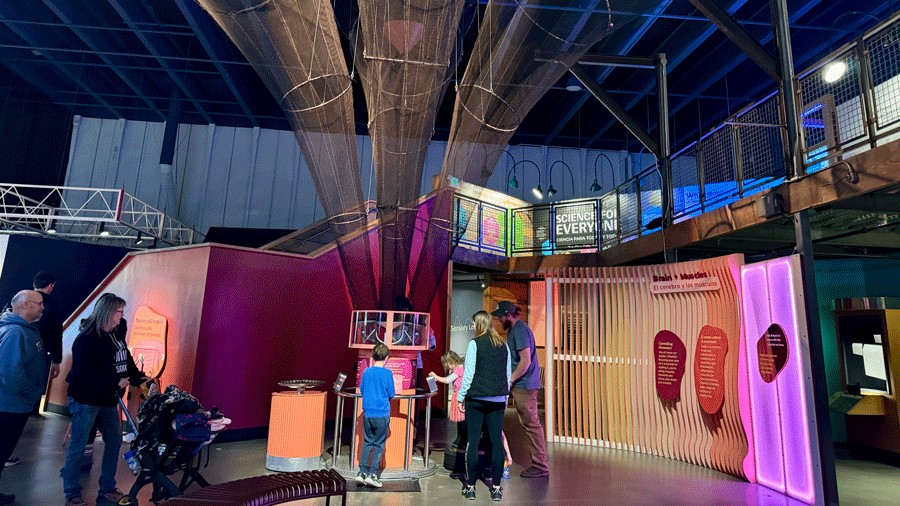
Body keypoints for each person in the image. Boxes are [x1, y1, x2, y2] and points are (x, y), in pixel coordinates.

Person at [61, 294, 132, 506]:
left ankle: (108, 487)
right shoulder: (86, 339)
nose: (122, 316)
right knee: (78, 445)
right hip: (86, 400)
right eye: (119, 312)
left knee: (115, 440)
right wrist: (115, 382)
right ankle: (72, 491)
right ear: (109, 312)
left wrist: (137, 377)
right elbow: (85, 373)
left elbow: (123, 361)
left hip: (108, 400)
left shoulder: (115, 336)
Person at [492, 300, 549, 478]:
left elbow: (525, 361)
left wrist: (510, 380)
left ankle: (541, 465)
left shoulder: (520, 331)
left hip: (525, 386)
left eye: (501, 316)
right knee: (529, 425)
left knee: (532, 425)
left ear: (508, 315)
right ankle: (540, 464)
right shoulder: (516, 330)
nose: (499, 320)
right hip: (523, 384)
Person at [458, 311, 510, 502]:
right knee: (496, 443)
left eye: (473, 324)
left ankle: (470, 487)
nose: (472, 327)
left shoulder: (475, 344)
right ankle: (496, 489)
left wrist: (460, 397)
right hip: (497, 400)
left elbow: (469, 374)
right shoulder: (503, 345)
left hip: (476, 399)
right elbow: (507, 375)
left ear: (478, 324)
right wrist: (504, 399)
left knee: (472, 441)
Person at [0, 290, 47, 505]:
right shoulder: (15, 333)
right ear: (26, 305)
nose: (42, 307)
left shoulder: (26, 331)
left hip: (17, 404)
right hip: (8, 406)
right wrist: (31, 392)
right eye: (39, 303)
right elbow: (11, 374)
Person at [357, 343, 395, 489]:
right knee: (379, 444)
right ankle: (373, 475)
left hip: (368, 414)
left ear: (372, 356)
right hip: (381, 413)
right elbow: (391, 393)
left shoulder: (366, 372)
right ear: (387, 358)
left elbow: (362, 389)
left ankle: (361, 472)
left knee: (367, 442)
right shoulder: (387, 374)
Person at [33, 271, 63, 381]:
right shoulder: (52, 305)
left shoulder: (20, 299)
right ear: (51, 286)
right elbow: (56, 334)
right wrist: (56, 360)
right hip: (39, 353)